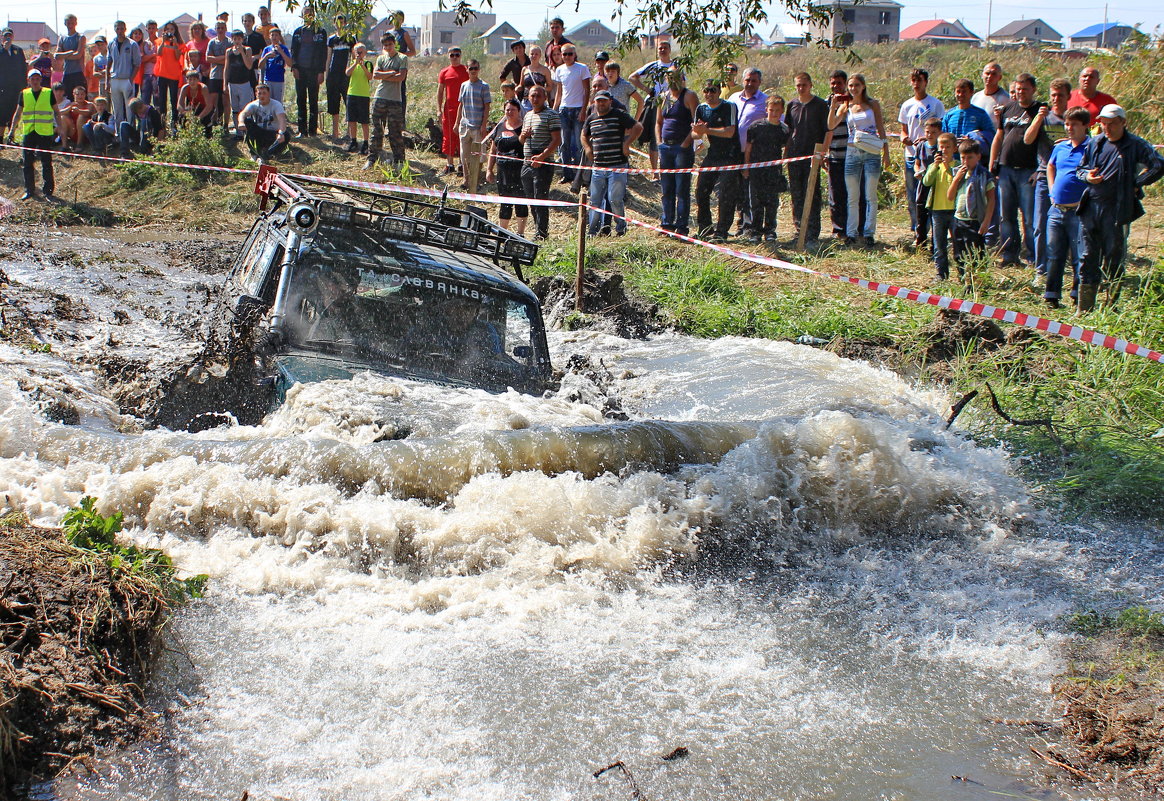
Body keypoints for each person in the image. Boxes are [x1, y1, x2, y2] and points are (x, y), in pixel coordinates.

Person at [1075, 104, 1164, 310]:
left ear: (1123, 122)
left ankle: (1110, 307)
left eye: (1112, 124)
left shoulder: (1136, 144)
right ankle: (1085, 309)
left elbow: (1158, 165)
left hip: (1117, 207)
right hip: (1092, 205)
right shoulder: (1096, 142)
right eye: (1104, 123)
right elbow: (1081, 168)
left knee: (1114, 257)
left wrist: (1136, 184)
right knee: (1087, 256)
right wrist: (1087, 176)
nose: (1107, 128)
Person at [827, 73, 888, 246]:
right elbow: (831, 125)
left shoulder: (872, 104)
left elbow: (881, 128)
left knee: (870, 194)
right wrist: (833, 107)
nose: (854, 89)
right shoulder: (846, 105)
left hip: (871, 152)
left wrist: (886, 152)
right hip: (852, 152)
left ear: (863, 86)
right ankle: (851, 233)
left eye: (857, 85)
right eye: (851, 86)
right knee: (852, 196)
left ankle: (869, 233)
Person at [989, 72, 1041, 267]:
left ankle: (1032, 256)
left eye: (1025, 89)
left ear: (1033, 90)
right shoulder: (1008, 109)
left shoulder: (1040, 111)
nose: (1020, 93)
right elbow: (999, 136)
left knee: (1029, 217)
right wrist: (993, 163)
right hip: (1006, 169)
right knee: (1006, 215)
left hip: (1028, 170)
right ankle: (1010, 255)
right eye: (1018, 89)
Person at [1042, 106, 1091, 308]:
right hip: (1056, 209)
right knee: (1054, 254)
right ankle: (1051, 295)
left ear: (1085, 126)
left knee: (1079, 255)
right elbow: (1051, 166)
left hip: (1078, 211)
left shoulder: (1092, 148)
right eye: (1067, 124)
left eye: (1074, 124)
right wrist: (1052, 190)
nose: (1069, 128)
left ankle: (1077, 294)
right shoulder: (1060, 147)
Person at [1024, 78, 1071, 283]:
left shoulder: (1072, 120)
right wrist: (1037, 118)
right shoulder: (1044, 118)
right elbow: (1027, 139)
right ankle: (1041, 270)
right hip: (1044, 176)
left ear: (1068, 96)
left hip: (1067, 178)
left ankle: (1063, 265)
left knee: (1069, 225)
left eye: (1060, 95)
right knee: (1040, 225)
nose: (1056, 99)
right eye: (1053, 95)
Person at [582, 88, 641, 236]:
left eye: (604, 100)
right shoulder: (591, 118)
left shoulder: (618, 115)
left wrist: (627, 144)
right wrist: (588, 148)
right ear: (594, 102)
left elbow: (638, 127)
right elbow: (583, 135)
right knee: (595, 201)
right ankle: (592, 231)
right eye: (598, 100)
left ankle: (621, 228)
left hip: (617, 165)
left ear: (610, 101)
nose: (601, 103)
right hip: (598, 167)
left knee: (615, 199)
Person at [898, 68, 944, 245]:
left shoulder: (936, 104)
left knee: (930, 194)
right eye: (914, 80)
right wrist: (905, 139)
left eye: (920, 80)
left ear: (926, 82)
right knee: (913, 194)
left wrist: (928, 138)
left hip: (930, 155)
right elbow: (903, 130)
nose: (916, 84)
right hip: (911, 155)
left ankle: (932, 229)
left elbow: (941, 127)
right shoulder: (907, 105)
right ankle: (916, 229)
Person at [692, 79, 740, 242]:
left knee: (726, 193)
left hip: (730, 154)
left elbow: (730, 132)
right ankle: (705, 227)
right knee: (701, 190)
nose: (709, 94)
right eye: (706, 91)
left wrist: (707, 130)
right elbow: (696, 133)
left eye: (712, 90)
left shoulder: (729, 107)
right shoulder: (701, 109)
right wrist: (697, 132)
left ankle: (722, 231)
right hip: (713, 155)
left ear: (719, 92)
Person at [786, 71, 829, 244]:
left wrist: (821, 154)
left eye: (804, 85)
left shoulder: (820, 105)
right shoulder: (791, 105)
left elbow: (827, 131)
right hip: (794, 155)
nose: (801, 88)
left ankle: (812, 232)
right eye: (798, 85)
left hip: (813, 155)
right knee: (796, 194)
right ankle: (799, 231)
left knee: (812, 193)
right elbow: (789, 131)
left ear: (810, 85)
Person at [655, 68, 697, 236]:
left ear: (682, 78)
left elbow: (696, 123)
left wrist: (687, 142)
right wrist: (659, 143)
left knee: (682, 189)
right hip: (665, 148)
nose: (673, 80)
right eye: (669, 77)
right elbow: (658, 122)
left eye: (676, 77)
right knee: (667, 188)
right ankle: (667, 223)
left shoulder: (689, 96)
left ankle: (681, 225)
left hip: (682, 148)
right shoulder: (663, 97)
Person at [743, 95, 789, 243]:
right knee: (755, 202)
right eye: (771, 110)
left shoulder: (784, 129)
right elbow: (748, 149)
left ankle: (770, 231)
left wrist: (784, 163)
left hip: (774, 171)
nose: (774, 113)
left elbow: (786, 148)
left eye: (777, 110)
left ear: (782, 111)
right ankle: (755, 231)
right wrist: (746, 167)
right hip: (756, 170)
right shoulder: (756, 127)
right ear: (766, 110)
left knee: (772, 202)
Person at [947, 139, 996, 275]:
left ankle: (977, 280)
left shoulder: (984, 175)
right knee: (959, 253)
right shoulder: (958, 173)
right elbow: (950, 196)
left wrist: (986, 221)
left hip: (974, 220)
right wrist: (956, 179)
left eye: (970, 158)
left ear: (978, 157)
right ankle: (964, 279)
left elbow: (991, 199)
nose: (966, 162)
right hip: (958, 219)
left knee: (976, 253)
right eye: (963, 158)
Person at [519, 84, 561, 240]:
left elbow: (557, 140)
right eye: (532, 96)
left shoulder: (551, 115)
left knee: (540, 199)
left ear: (544, 98)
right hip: (527, 163)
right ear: (528, 97)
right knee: (531, 199)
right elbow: (521, 140)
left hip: (543, 164)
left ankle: (542, 233)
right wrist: (523, 135)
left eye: (538, 96)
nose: (535, 99)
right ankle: (538, 230)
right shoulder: (528, 115)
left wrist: (542, 157)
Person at [9, 68, 58, 200]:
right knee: (27, 162)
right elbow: (18, 113)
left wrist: (59, 129)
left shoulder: (48, 93)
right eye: (33, 79)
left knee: (46, 162)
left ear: (41, 80)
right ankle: (29, 190)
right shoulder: (24, 94)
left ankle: (48, 191)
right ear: (29, 80)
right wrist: (12, 130)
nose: (35, 81)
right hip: (29, 131)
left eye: (37, 79)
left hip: (45, 132)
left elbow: (56, 112)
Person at [630, 40, 675, 177]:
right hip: (655, 103)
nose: (662, 50)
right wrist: (648, 90)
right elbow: (633, 77)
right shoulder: (653, 65)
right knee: (654, 138)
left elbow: (682, 82)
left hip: (671, 104)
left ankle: (667, 171)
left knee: (668, 136)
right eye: (660, 48)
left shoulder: (675, 66)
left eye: (665, 48)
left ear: (669, 49)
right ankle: (655, 173)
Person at [822, 69, 857, 240]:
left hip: (852, 155)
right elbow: (826, 129)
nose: (835, 86)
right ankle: (838, 229)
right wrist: (823, 152)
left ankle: (853, 229)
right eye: (833, 83)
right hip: (834, 155)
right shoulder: (826, 103)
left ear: (845, 85)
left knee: (852, 194)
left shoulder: (854, 102)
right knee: (835, 195)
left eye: (839, 83)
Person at [485, 98, 528, 235]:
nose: (510, 112)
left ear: (518, 111)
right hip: (502, 171)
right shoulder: (499, 127)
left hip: (519, 170)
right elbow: (493, 150)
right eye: (507, 110)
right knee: (505, 202)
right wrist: (489, 169)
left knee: (520, 202)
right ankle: (503, 233)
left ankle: (520, 233)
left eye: (513, 110)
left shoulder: (524, 127)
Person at [365, 33, 407, 169]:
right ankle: (371, 159)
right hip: (380, 97)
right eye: (385, 45)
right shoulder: (381, 58)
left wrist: (385, 74)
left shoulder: (402, 58)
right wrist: (391, 73)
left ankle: (399, 161)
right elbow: (375, 75)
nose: (388, 47)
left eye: (390, 44)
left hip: (395, 99)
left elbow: (401, 77)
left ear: (394, 43)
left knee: (395, 132)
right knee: (376, 131)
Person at [923, 131, 960, 281]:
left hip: (954, 211)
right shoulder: (934, 166)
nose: (944, 150)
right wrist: (935, 166)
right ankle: (941, 273)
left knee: (958, 243)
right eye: (941, 147)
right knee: (939, 244)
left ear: (954, 149)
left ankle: (962, 272)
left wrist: (947, 166)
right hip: (937, 210)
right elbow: (926, 182)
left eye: (948, 147)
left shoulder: (958, 166)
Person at [553, 45, 589, 183]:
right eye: (564, 54)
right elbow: (559, 92)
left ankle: (580, 176)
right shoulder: (559, 70)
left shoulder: (582, 68)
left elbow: (587, 90)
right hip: (564, 109)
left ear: (574, 54)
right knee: (564, 144)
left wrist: (583, 110)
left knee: (579, 144)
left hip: (578, 108)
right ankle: (567, 174)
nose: (567, 56)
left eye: (569, 54)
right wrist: (555, 109)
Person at [291, 5, 328, 136]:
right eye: (305, 14)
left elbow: (323, 53)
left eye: (310, 14)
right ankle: (302, 130)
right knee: (301, 100)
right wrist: (294, 67)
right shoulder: (297, 32)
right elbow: (293, 51)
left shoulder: (321, 31)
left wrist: (321, 71)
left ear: (314, 15)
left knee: (313, 100)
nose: (308, 16)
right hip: (300, 71)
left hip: (314, 71)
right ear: (302, 16)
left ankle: (312, 130)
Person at [456, 59, 491, 192]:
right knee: (464, 155)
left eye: (475, 68)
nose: (473, 71)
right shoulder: (464, 85)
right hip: (465, 125)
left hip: (477, 126)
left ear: (479, 69)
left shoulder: (484, 86)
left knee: (478, 155)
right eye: (471, 68)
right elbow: (461, 105)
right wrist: (457, 122)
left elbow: (487, 107)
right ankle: (466, 179)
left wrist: (483, 125)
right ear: (467, 69)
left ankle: (476, 180)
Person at [912, 117, 942, 251]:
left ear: (940, 132)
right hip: (923, 183)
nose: (930, 135)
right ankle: (920, 242)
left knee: (935, 214)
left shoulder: (941, 148)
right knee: (921, 213)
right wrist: (917, 171)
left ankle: (935, 244)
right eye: (927, 132)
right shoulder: (921, 146)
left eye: (933, 132)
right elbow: (917, 163)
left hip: (937, 185)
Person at [437, 48, 469, 174]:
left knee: (463, 136)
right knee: (448, 136)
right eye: (452, 55)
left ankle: (462, 165)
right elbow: (440, 92)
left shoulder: (467, 70)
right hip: (449, 110)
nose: (454, 57)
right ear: (448, 56)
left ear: (460, 56)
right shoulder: (444, 72)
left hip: (464, 109)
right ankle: (450, 165)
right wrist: (438, 110)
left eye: (457, 55)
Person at [239, 83, 290, 161]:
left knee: (286, 135)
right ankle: (254, 153)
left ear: (268, 94)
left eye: (264, 93)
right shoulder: (253, 105)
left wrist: (281, 133)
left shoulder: (276, 105)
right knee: (248, 121)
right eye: (259, 93)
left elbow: (282, 120)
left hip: (273, 134)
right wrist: (241, 122)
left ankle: (268, 155)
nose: (262, 96)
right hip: (260, 133)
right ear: (256, 94)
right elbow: (243, 113)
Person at [325, 14, 355, 140]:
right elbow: (328, 58)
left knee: (348, 102)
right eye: (337, 22)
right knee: (333, 104)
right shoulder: (331, 39)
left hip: (346, 75)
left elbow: (354, 57)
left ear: (345, 23)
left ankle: (349, 133)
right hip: (333, 75)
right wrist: (327, 75)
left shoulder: (351, 38)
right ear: (334, 24)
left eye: (342, 22)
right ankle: (335, 133)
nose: (340, 24)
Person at [225, 30, 256, 138]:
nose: (237, 41)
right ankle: (238, 131)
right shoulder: (229, 51)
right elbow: (226, 68)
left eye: (239, 39)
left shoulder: (247, 49)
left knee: (245, 108)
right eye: (235, 39)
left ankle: (247, 130)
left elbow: (249, 66)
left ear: (242, 39)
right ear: (232, 39)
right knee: (235, 108)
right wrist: (225, 84)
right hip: (232, 83)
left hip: (244, 83)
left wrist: (242, 52)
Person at [344, 43, 373, 154]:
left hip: (363, 95)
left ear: (365, 53)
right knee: (351, 120)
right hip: (352, 93)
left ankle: (366, 142)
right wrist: (355, 64)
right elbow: (347, 73)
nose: (359, 54)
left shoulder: (368, 63)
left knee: (364, 121)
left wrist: (362, 65)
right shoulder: (351, 63)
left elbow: (370, 76)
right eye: (357, 52)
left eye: (361, 52)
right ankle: (353, 141)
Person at [154, 22, 185, 126]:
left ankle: (174, 122)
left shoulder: (179, 43)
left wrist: (175, 44)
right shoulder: (159, 41)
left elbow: (177, 57)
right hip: (162, 74)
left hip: (174, 75)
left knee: (173, 100)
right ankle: (163, 123)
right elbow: (158, 53)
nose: (170, 31)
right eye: (167, 29)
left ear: (175, 30)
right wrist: (163, 41)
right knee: (162, 100)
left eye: (172, 29)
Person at [0, 28, 26, 145]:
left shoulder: (18, 50)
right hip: (3, 87)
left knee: (14, 112)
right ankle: (0, 139)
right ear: (2, 37)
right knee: (2, 113)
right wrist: (4, 50)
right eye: (5, 36)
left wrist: (24, 85)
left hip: (16, 87)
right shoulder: (1, 50)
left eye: (9, 36)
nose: (7, 38)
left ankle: (11, 137)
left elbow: (23, 68)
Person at [204, 20, 230, 128]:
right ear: (215, 29)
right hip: (214, 75)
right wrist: (222, 58)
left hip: (226, 75)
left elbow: (230, 59)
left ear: (225, 29)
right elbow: (208, 58)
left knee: (225, 101)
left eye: (222, 28)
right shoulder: (212, 42)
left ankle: (225, 125)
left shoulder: (230, 42)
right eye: (218, 28)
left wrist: (215, 59)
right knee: (213, 101)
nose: (220, 30)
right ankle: (213, 123)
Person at [56, 15, 87, 97]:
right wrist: (69, 53)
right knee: (67, 98)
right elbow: (57, 55)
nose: (70, 25)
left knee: (80, 98)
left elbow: (78, 55)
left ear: (76, 23)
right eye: (68, 23)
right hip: (66, 73)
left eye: (72, 23)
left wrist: (63, 55)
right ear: (65, 23)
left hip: (78, 72)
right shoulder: (62, 38)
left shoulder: (80, 37)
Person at [178, 69, 214, 136]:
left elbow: (209, 106)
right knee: (181, 116)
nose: (192, 82)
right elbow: (179, 104)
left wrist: (199, 118)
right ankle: (184, 134)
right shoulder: (185, 88)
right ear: (187, 80)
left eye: (194, 79)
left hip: (204, 109)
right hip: (193, 108)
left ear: (198, 80)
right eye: (190, 79)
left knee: (205, 122)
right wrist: (185, 113)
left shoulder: (203, 88)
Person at [258, 28, 290, 103]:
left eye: (276, 35)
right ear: (269, 36)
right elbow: (260, 65)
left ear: (279, 37)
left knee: (277, 103)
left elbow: (290, 63)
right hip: (268, 79)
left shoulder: (284, 48)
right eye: (272, 35)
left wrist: (281, 52)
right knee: (267, 102)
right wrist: (266, 56)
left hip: (279, 80)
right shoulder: (267, 49)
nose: (274, 37)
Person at [61, 85, 93, 149]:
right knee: (63, 117)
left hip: (85, 132)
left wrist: (79, 111)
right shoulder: (71, 104)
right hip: (73, 131)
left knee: (81, 116)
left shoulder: (90, 104)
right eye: (77, 94)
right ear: (73, 95)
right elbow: (59, 113)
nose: (80, 96)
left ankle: (79, 144)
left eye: (82, 94)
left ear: (85, 95)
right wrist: (69, 108)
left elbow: (88, 112)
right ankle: (64, 145)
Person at [133, 26, 156, 106]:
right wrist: (153, 55)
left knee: (150, 97)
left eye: (139, 34)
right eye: (135, 33)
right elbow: (141, 59)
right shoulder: (129, 46)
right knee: (133, 97)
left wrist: (148, 58)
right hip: (133, 75)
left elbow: (156, 59)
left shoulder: (143, 44)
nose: (137, 35)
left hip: (142, 74)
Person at [242, 14, 266, 86]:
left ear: (253, 22)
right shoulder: (240, 37)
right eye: (245, 21)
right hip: (242, 67)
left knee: (254, 87)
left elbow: (265, 52)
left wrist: (256, 57)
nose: (247, 23)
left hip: (255, 66)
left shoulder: (258, 36)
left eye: (249, 21)